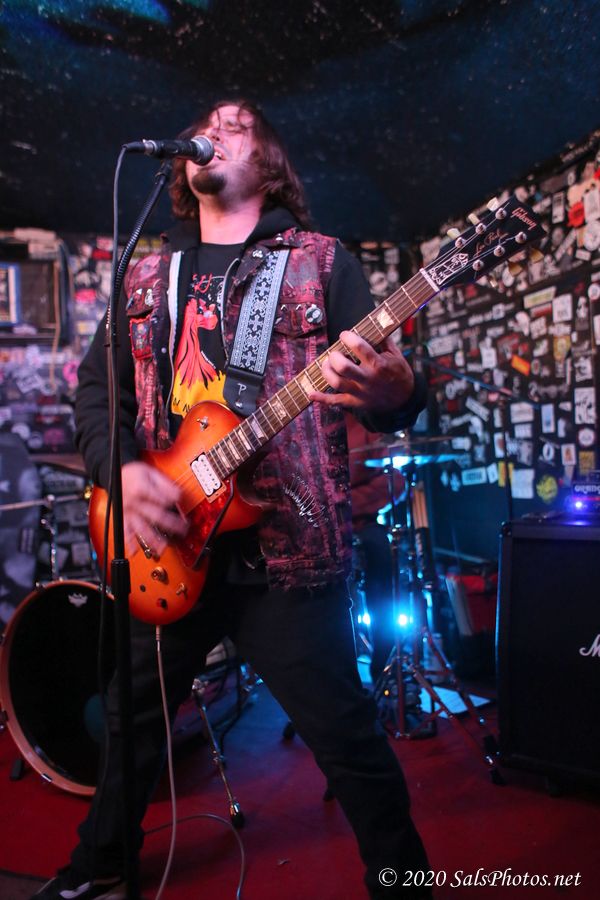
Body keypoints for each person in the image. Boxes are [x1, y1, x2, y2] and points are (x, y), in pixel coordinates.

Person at [34, 99, 431, 900]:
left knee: (347, 736)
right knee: (130, 720)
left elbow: (384, 389)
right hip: (170, 544)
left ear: (270, 163)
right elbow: (97, 395)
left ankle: (404, 883)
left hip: (288, 551)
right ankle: (96, 866)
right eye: (206, 124)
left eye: (237, 124)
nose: (215, 130)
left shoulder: (320, 262)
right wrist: (122, 472)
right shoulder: (146, 273)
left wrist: (400, 390)